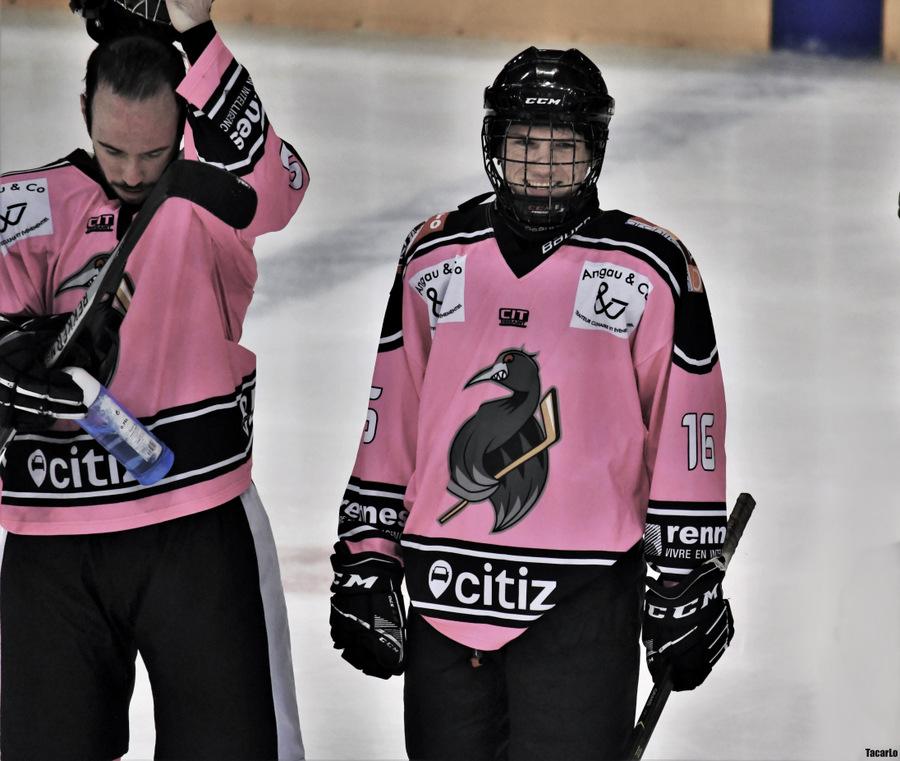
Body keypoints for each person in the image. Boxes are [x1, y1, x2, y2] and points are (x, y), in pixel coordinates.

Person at [329, 47, 734, 760]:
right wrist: (369, 552)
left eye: (562, 147)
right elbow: (392, 418)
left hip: (583, 600)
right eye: (524, 145)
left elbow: (687, 427)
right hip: (447, 593)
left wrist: (684, 577)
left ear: (594, 151)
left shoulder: (649, 268)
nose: (542, 167)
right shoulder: (433, 256)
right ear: (495, 144)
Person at [0, 1, 308, 758]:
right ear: (84, 109)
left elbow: (275, 185)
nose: (134, 174)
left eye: (153, 152)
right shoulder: (24, 204)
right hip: (52, 539)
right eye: (114, 151)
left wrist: (197, 36)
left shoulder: (206, 201)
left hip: (196, 527)